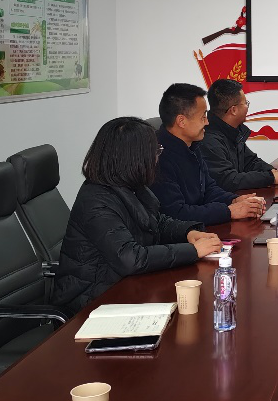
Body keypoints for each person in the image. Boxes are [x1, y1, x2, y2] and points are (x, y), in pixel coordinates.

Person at [52, 116, 222, 316]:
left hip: (124, 286)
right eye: (155, 151)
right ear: (134, 157)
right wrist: (192, 251)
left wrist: (188, 233)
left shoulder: (130, 185)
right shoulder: (96, 201)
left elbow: (156, 222)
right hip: (91, 303)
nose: (157, 158)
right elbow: (130, 258)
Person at [152, 83, 266, 225]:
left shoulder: (192, 145)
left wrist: (233, 200)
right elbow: (176, 213)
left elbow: (208, 189)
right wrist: (229, 211)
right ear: (181, 121)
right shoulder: (158, 157)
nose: (207, 122)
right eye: (203, 117)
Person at [201, 78, 278, 191]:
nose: (247, 107)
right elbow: (228, 180)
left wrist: (271, 171)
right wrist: (270, 178)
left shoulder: (233, 131)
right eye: (245, 103)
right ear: (233, 110)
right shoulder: (209, 140)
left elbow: (250, 162)